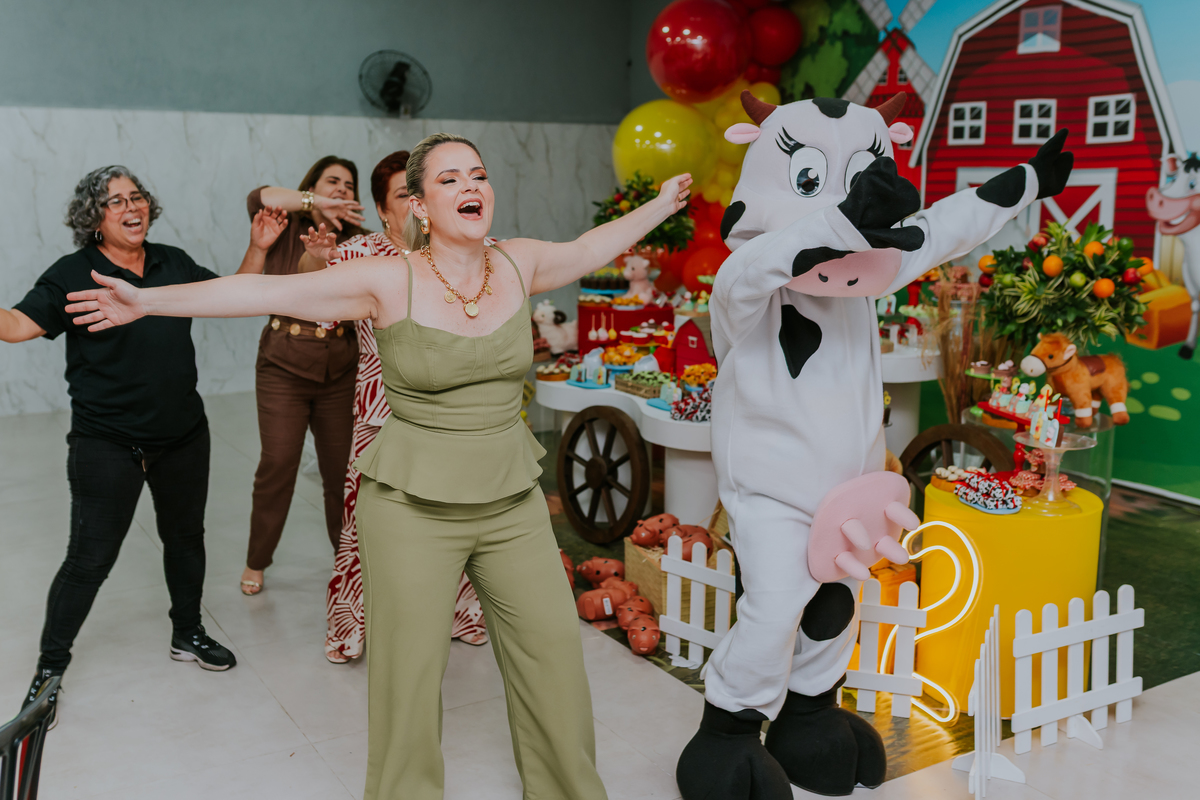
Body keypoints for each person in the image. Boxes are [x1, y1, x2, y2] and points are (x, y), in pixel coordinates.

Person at [65, 132, 691, 800]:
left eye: (478, 174)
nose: (470, 186)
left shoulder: (518, 262)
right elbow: (254, 291)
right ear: (419, 205)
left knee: (553, 659)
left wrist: (663, 203)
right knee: (408, 679)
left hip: (510, 499)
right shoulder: (388, 278)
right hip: (413, 507)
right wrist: (146, 300)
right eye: (449, 179)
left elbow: (591, 247)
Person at [1, 166, 238, 725]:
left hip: (183, 435)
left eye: (137, 197)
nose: (132, 207)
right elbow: (14, 326)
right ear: (94, 217)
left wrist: (258, 247)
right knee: (88, 560)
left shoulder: (172, 262)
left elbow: (228, 296)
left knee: (186, 539)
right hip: (107, 442)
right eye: (116, 202)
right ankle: (49, 672)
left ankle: (187, 633)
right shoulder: (72, 273)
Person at [308, 150, 488, 663]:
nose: (416, 202)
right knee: (367, 518)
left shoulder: (453, 250)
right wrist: (318, 260)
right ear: (383, 209)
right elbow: (315, 297)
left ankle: (460, 614)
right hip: (380, 405)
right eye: (403, 195)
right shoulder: (357, 254)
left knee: (452, 511)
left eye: (420, 191)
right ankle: (350, 626)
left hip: (448, 407)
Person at [236, 156, 368, 596]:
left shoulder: (359, 241)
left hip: (340, 368)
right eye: (332, 181)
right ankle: (257, 559)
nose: (342, 188)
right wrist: (315, 203)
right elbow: (258, 195)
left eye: (349, 184)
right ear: (311, 186)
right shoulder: (283, 223)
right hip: (283, 367)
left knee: (341, 473)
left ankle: (347, 562)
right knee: (277, 464)